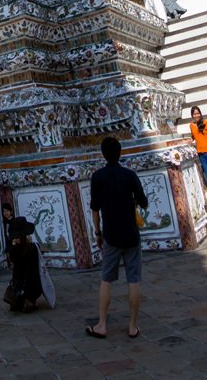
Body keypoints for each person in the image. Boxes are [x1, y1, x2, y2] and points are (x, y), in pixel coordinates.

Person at [87, 136, 148, 339]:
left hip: (110, 235)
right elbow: (144, 201)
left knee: (106, 280)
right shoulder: (129, 175)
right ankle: (132, 326)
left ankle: (102, 324)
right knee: (134, 281)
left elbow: (95, 209)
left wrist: (98, 233)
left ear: (103, 154)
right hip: (131, 234)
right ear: (120, 152)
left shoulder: (97, 177)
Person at [5, 217, 54, 312]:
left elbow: (13, 261)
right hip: (29, 280)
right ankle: (28, 301)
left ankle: (23, 300)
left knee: (21, 286)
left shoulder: (20, 248)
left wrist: (14, 247)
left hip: (23, 280)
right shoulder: (31, 247)